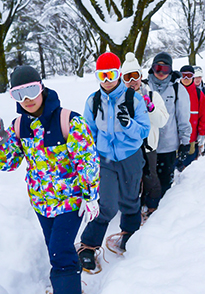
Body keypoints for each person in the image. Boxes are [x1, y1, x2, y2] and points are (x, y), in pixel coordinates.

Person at [0, 65, 98, 294]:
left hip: (70, 200)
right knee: (55, 249)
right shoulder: (19, 126)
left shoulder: (69, 120)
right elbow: (8, 164)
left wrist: (91, 196)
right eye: (19, 94)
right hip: (41, 202)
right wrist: (0, 145)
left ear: (42, 88)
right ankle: (68, 282)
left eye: (31, 90)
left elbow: (88, 160)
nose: (27, 99)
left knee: (60, 250)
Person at [78, 53, 150, 271]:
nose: (107, 79)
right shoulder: (93, 101)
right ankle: (88, 246)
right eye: (102, 74)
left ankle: (129, 234)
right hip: (105, 159)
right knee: (106, 204)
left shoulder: (133, 98)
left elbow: (144, 130)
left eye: (111, 73)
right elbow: (87, 132)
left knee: (129, 199)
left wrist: (129, 125)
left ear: (118, 73)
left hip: (130, 156)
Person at [120, 53, 167, 221]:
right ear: (123, 80)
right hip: (128, 148)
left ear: (141, 76)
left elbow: (162, 121)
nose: (133, 81)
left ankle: (153, 205)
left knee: (150, 177)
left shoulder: (153, 95)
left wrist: (151, 107)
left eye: (136, 76)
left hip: (148, 146)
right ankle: (134, 210)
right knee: (131, 181)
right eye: (128, 77)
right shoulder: (118, 99)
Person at [146, 53, 191, 198]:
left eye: (164, 69)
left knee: (164, 182)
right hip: (147, 144)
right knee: (147, 182)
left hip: (168, 145)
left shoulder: (178, 90)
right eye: (157, 68)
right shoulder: (144, 87)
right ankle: (148, 207)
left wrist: (185, 142)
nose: (160, 72)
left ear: (170, 70)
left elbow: (183, 118)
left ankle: (162, 211)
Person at [177, 65, 205, 170]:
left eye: (189, 76)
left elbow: (204, 116)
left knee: (189, 169)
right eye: (183, 76)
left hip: (191, 138)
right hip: (174, 139)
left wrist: (202, 134)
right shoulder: (174, 91)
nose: (186, 79)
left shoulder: (198, 94)